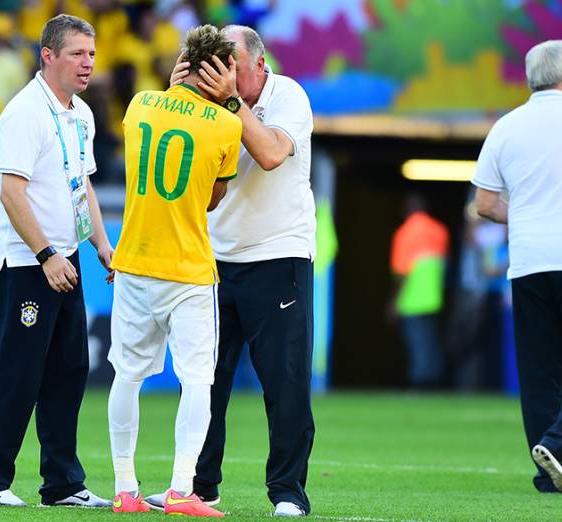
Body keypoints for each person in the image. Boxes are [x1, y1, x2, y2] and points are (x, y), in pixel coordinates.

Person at [157, 25, 316, 517]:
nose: (222, 75)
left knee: (284, 382)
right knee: (204, 380)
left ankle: (288, 493)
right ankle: (199, 487)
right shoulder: (203, 102)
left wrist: (228, 103)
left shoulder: (287, 94)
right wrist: (175, 99)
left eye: (233, 66)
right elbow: (178, 174)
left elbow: (269, 154)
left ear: (260, 66)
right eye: (215, 64)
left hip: (277, 254)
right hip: (215, 257)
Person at [0, 14, 114, 508]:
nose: (88, 63)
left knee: (68, 371)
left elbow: (83, 185)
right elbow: (12, 194)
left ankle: (63, 485)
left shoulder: (82, 114)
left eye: (91, 54)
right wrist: (46, 253)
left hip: (65, 258)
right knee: (15, 374)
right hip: (23, 263)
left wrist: (100, 243)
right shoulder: (24, 112)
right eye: (77, 53)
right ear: (48, 56)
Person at [106, 24, 241, 517]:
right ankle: (182, 487)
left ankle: (125, 490)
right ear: (221, 71)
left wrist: (170, 89)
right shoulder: (228, 125)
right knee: (198, 380)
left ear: (183, 63)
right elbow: (211, 198)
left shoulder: (141, 103)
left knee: (127, 375)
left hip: (135, 260)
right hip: (187, 269)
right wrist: (223, 105)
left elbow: (159, 127)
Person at [472, 39, 562, 494]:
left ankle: (548, 475)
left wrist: (526, 212)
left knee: (539, 368)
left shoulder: (506, 127)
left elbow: (485, 204)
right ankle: (559, 445)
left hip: (527, 262)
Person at [388, 193, 449, 389]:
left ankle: (419, 384)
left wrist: (393, 302)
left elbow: (401, 272)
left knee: (417, 344)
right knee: (431, 342)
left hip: (412, 299)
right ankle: (434, 381)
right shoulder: (439, 230)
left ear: (407, 208)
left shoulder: (405, 233)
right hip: (434, 298)